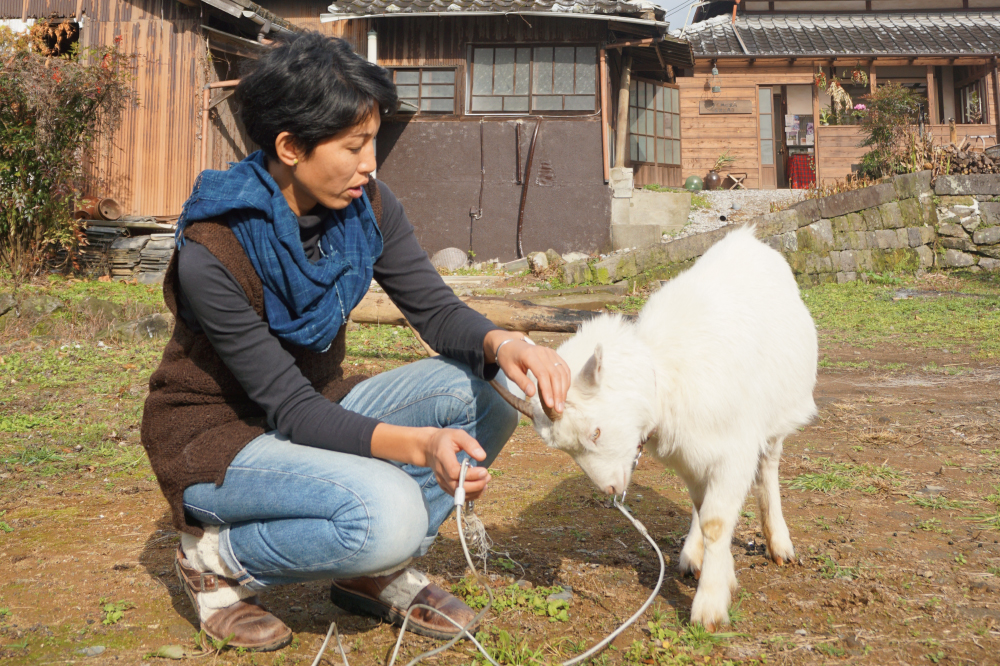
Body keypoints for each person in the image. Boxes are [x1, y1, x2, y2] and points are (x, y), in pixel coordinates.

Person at [140, 32, 570, 652]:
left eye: (373, 139)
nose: (371, 162)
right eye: (354, 145)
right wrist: (421, 447)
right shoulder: (216, 248)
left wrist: (507, 345)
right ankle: (216, 558)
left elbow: (436, 311)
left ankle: (372, 573)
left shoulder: (364, 206)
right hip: (219, 438)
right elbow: (289, 408)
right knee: (390, 511)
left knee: (489, 395)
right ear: (290, 146)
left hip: (312, 409)